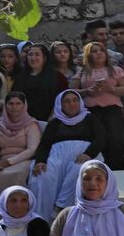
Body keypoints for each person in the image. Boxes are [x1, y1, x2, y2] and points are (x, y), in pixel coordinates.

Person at [28, 91, 104, 221]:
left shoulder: (90, 119)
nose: (71, 104)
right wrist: (40, 161)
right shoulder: (54, 123)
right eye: (67, 101)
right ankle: (41, 218)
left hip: (85, 155)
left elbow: (102, 138)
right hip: (57, 157)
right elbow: (44, 145)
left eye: (75, 100)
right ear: (60, 105)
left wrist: (88, 153)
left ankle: (61, 207)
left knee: (79, 169)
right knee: (43, 174)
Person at [0, 93, 40, 196]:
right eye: (10, 103)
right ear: (5, 105)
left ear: (24, 105)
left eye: (18, 103)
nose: (14, 107)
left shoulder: (31, 124)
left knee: (17, 174)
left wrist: (9, 162)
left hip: (22, 160)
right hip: (1, 162)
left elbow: (32, 149)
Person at [13, 43, 68, 120]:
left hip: (50, 120)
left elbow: (62, 99)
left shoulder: (58, 77)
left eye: (37, 54)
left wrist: (53, 116)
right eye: (30, 55)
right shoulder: (20, 76)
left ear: (45, 58)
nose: (33, 58)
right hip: (23, 120)